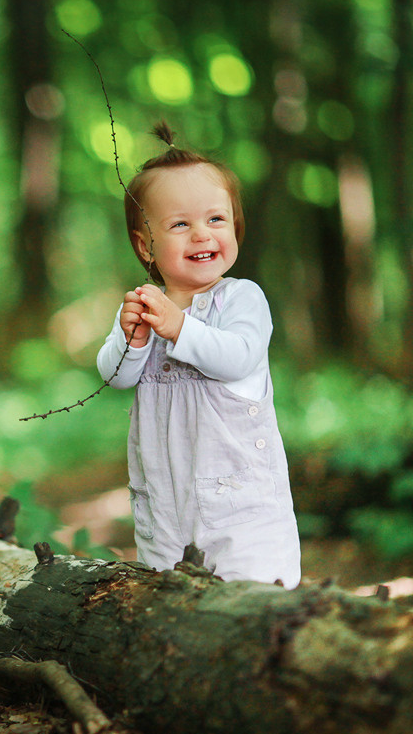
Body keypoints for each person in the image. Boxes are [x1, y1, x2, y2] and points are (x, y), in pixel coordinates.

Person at [96, 122, 301, 588]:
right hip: (165, 504)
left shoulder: (242, 299)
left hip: (241, 503)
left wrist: (179, 326)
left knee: (252, 599)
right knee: (172, 602)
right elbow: (116, 376)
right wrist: (134, 340)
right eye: (180, 224)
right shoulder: (144, 306)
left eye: (215, 219)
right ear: (146, 244)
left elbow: (237, 357)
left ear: (235, 226)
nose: (201, 235)